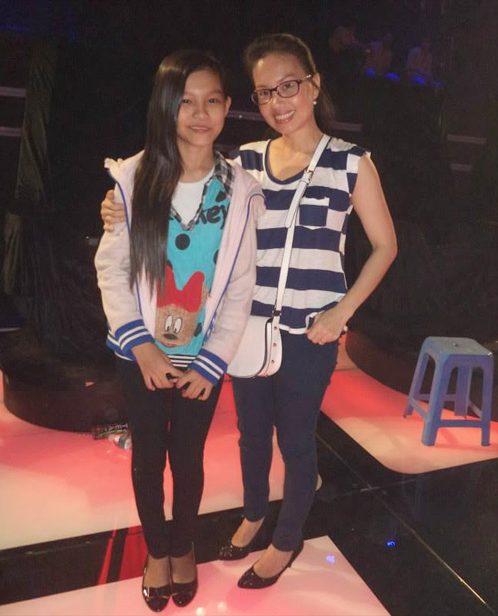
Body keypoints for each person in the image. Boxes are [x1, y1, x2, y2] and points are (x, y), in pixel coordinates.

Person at [101, 33, 397, 590]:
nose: (278, 102)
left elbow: (386, 246)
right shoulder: (249, 162)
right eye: (264, 92)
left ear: (314, 85)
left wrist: (342, 313)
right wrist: (119, 203)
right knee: (252, 435)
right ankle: (255, 514)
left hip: (310, 330)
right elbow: (190, 187)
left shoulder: (350, 163)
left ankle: (286, 541)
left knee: (297, 440)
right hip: (249, 328)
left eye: (289, 86)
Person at [95, 49, 264, 611]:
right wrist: (140, 346)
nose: (199, 113)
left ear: (228, 107)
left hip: (201, 360)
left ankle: (184, 544)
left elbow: (239, 286)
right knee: (148, 458)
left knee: (188, 459)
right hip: (140, 356)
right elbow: (112, 270)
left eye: (212, 100)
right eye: (186, 101)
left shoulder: (241, 190)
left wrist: (213, 362)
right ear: (166, 106)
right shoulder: (134, 179)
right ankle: (156, 550)